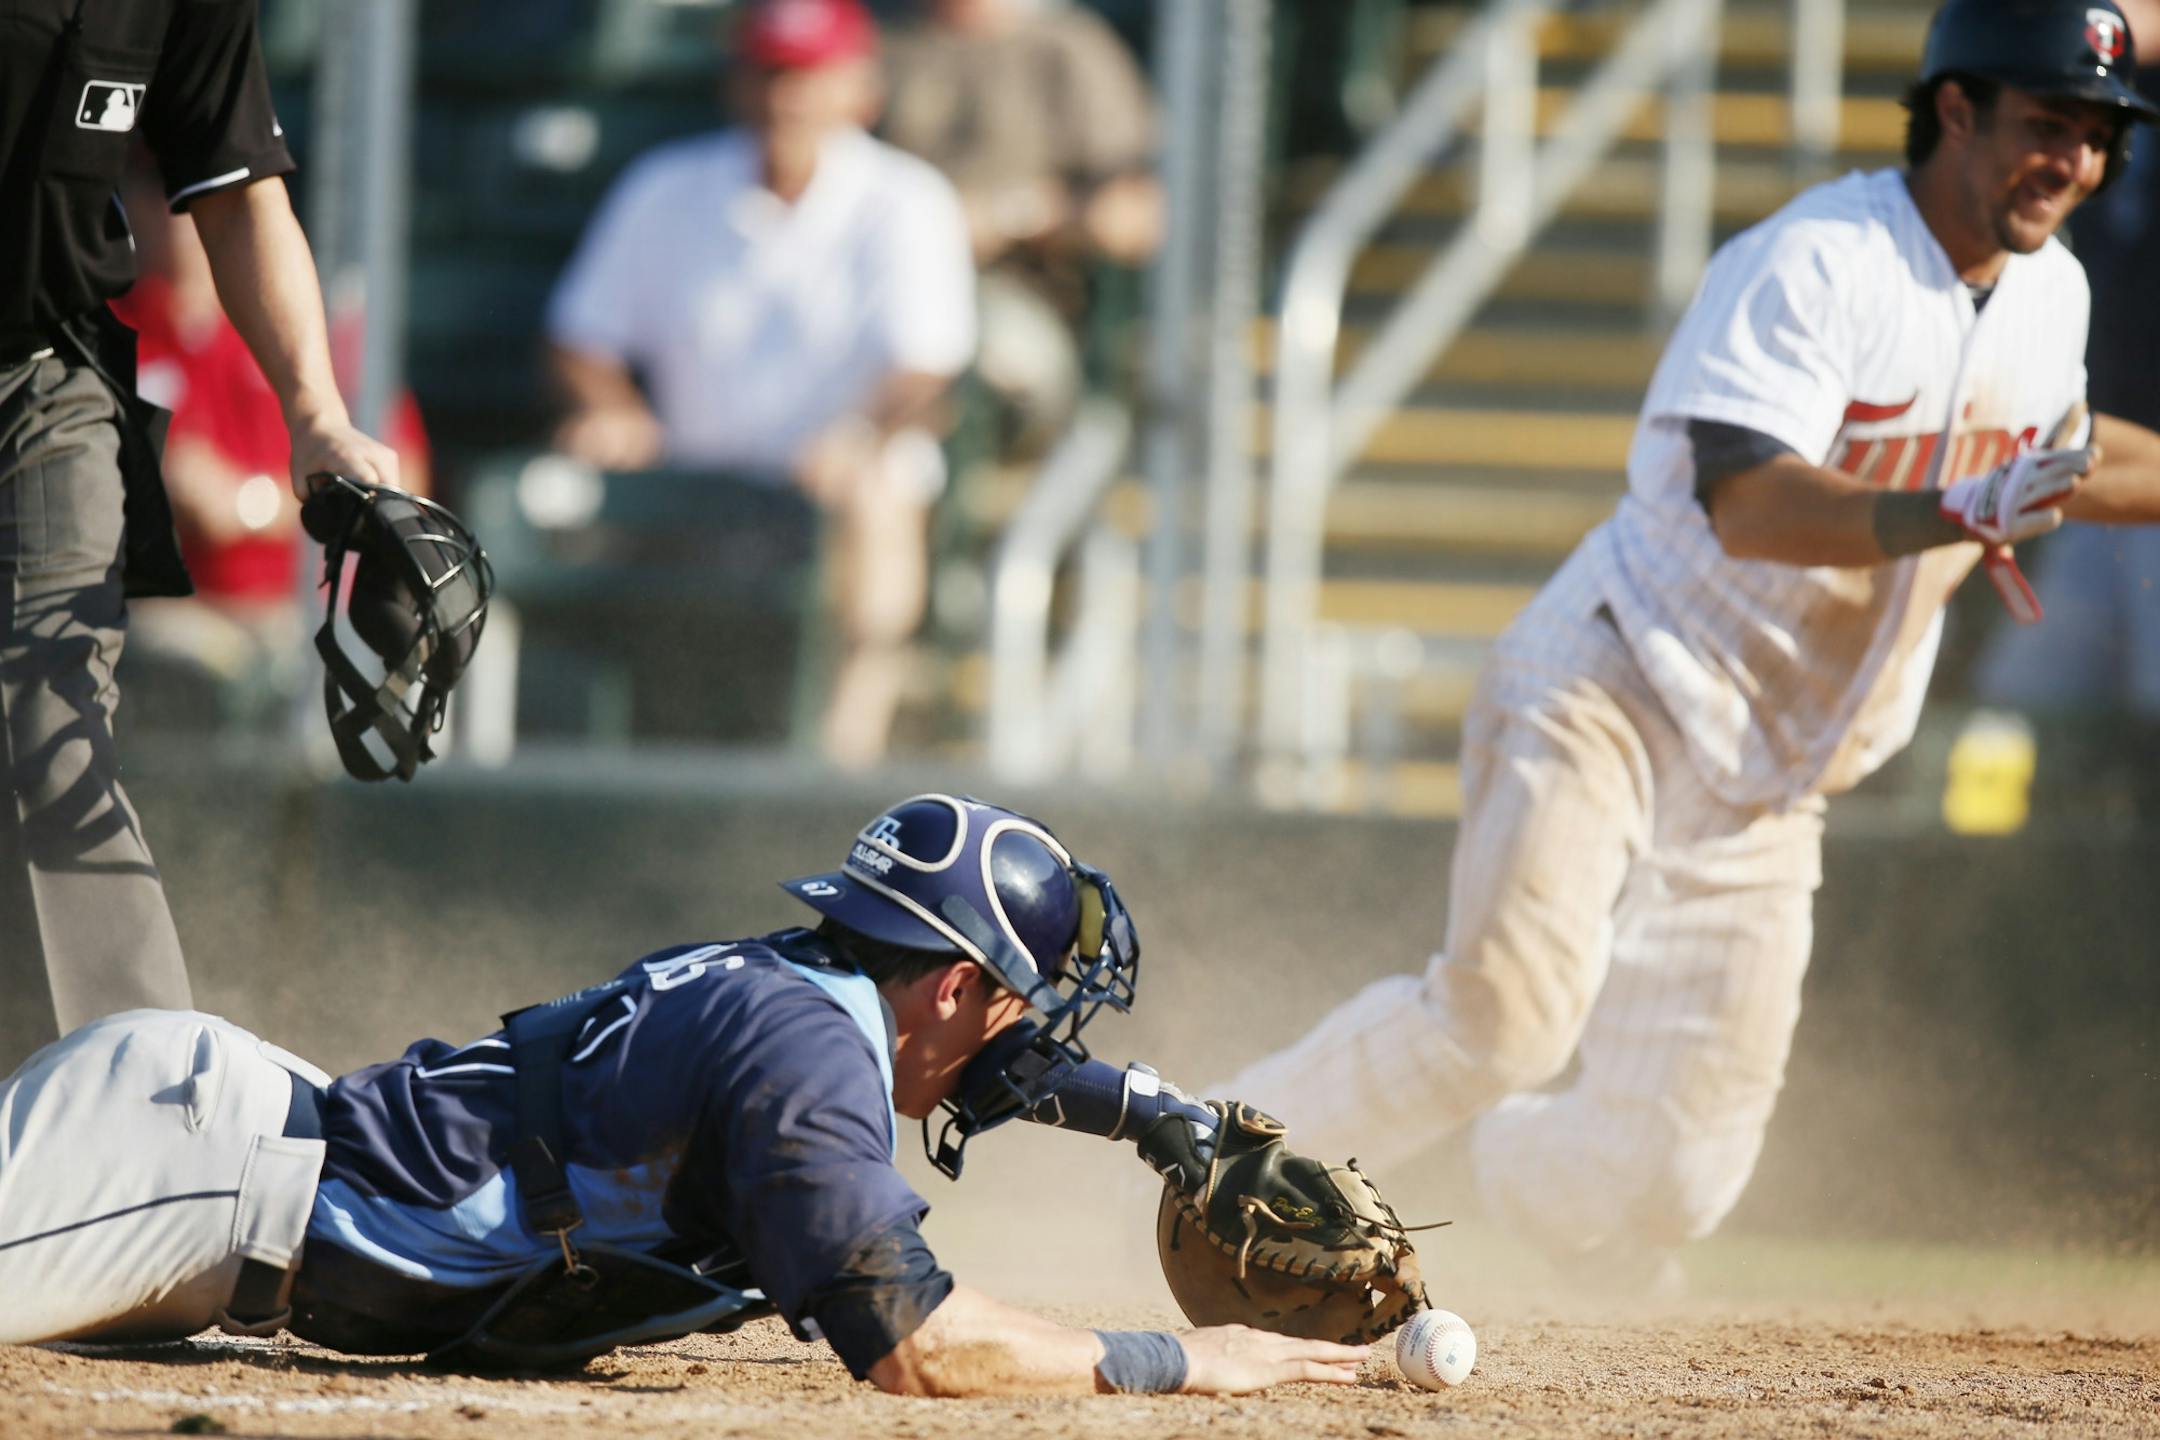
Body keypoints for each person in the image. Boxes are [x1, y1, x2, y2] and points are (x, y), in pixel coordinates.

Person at [1217, 0, 2160, 1288]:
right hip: (1621, 676)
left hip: (1775, 775)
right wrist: (1950, 507)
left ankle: (1536, 1194)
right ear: (1956, 107)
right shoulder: (1821, 258)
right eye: (2049, 124)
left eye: (2100, 136)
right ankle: (1195, 1166)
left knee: (1676, 1182)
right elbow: (1752, 500)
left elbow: (2066, 452)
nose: (2077, 161)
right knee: (1504, 1019)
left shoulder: (2053, 292)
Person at [0, 794, 1366, 1396]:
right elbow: (917, 1347)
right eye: (1011, 1000)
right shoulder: (807, 1056)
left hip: (225, 1164)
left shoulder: (809, 992)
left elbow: (985, 1066)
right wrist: (1179, 1360)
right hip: (194, 1170)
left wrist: (1152, 1113)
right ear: (950, 982)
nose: (1022, 1042)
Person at [0, 0, 400, 1074]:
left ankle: (136, 1097)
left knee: (56, 706)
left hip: (39, 373)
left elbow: (233, 185)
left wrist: (311, 409)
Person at [546, 0, 976, 771]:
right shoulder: (665, 187)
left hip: (833, 486)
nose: (789, 95)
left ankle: (843, 768)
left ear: (861, 88)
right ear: (738, 82)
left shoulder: (908, 200)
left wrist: (858, 437)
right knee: (560, 484)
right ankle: (585, 762)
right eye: (772, 72)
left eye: (810, 74)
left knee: (882, 491)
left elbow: (929, 370)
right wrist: (611, 410)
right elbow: (581, 333)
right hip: (690, 482)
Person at [110, 158, 433, 730]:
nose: (181, 216)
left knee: (414, 645)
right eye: (162, 192)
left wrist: (249, 505)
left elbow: (399, 481)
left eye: (194, 194)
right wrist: (306, 497)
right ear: (130, 204)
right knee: (171, 660)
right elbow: (174, 490)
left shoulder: (309, 330)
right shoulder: (121, 327)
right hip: (184, 612)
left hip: (313, 608)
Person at [1956, 0, 2160, 811]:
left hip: (2130, 469)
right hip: (2087, 453)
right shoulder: (2098, 104)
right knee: (2020, 712)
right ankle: (2006, 910)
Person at [880, 0, 1162, 448]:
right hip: (880, 291)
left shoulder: (1065, 46)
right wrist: (931, 225)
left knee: (970, 366)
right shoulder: (879, 37)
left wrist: (1015, 214)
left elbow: (1135, 217)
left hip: (1013, 297)